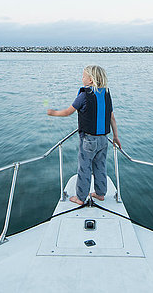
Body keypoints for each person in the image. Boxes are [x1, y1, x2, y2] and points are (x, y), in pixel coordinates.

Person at [47, 65, 121, 205]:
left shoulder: (84, 95)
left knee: (84, 168)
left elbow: (68, 112)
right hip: (104, 140)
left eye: (83, 76)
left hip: (89, 140)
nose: (81, 78)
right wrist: (116, 137)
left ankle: (80, 198)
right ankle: (100, 194)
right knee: (100, 166)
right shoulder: (106, 94)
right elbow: (112, 118)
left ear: (91, 80)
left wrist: (53, 112)